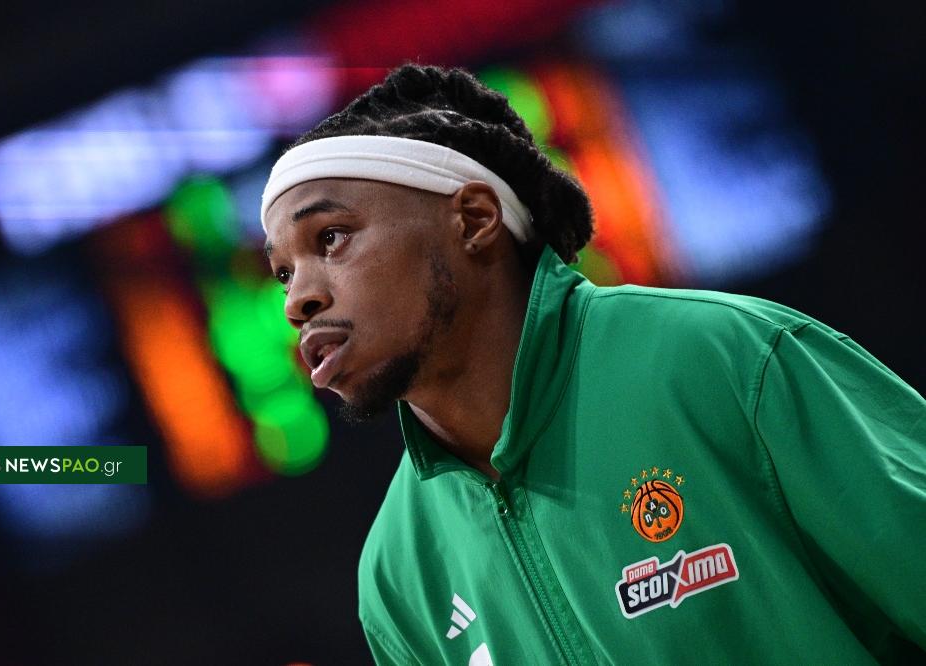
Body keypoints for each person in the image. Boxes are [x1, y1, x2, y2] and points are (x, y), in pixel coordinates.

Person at [260, 65, 926, 665]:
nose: (298, 300)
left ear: (474, 219)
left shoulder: (724, 359)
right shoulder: (397, 574)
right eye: (283, 271)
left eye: (331, 238)